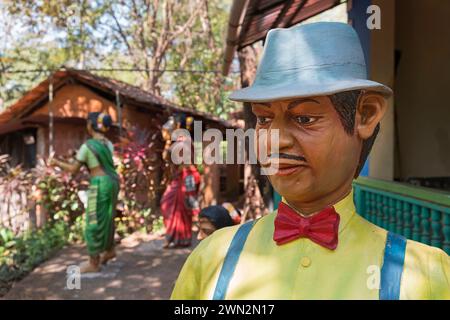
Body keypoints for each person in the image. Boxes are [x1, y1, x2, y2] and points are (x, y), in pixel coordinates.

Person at [171, 22, 450, 299]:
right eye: (264, 119)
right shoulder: (212, 259)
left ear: (365, 115)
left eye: (304, 119)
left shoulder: (425, 277)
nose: (276, 141)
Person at [50, 112, 119, 273]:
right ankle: (109, 250)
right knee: (108, 218)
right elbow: (98, 161)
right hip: (112, 182)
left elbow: (73, 169)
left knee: (93, 221)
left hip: (99, 185)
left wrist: (56, 162)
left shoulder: (88, 146)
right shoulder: (107, 143)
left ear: (91, 125)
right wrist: (75, 155)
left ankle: (93, 262)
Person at [160, 114, 201, 248]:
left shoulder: (183, 140)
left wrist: (167, 140)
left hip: (186, 177)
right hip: (181, 177)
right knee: (171, 204)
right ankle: (175, 237)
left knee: (176, 205)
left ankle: (179, 238)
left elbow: (167, 156)